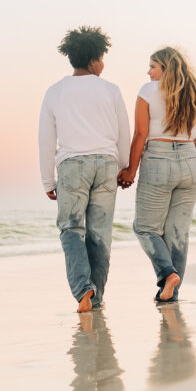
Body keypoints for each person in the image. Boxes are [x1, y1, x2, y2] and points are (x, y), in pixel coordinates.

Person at [39, 26, 131, 312]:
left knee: (70, 228)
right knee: (100, 233)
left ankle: (82, 290)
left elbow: (46, 138)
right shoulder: (111, 90)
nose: (103, 64)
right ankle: (96, 296)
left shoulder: (55, 91)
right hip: (105, 164)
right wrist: (125, 166)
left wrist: (47, 180)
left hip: (72, 165)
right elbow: (123, 133)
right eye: (102, 57)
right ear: (94, 60)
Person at [118, 46, 196, 303]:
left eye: (152, 66)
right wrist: (192, 171)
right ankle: (171, 294)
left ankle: (167, 274)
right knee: (178, 233)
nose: (148, 72)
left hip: (158, 159)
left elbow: (140, 135)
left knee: (145, 228)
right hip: (191, 163)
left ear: (165, 68)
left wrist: (129, 171)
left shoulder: (148, 91)